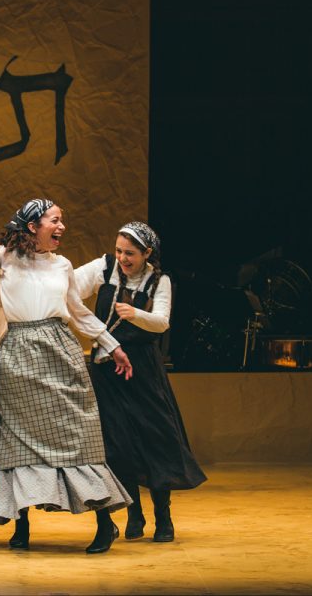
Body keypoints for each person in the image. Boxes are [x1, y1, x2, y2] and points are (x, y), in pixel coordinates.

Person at [0, 199, 134, 554]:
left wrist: (110, 344)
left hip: (59, 350)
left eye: (62, 220)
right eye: (55, 220)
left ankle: (105, 521)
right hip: (18, 353)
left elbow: (77, 311)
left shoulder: (63, 265)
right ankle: (21, 523)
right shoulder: (1, 259)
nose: (62, 227)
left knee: (79, 434)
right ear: (32, 226)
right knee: (18, 438)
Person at [76, 221, 206, 545]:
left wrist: (134, 313)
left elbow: (161, 322)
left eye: (130, 253)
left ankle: (163, 515)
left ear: (147, 253)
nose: (122, 257)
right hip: (107, 367)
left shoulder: (159, 280)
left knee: (156, 438)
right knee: (117, 442)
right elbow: (67, 291)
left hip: (143, 369)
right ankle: (134, 512)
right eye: (119, 250)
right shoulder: (104, 268)